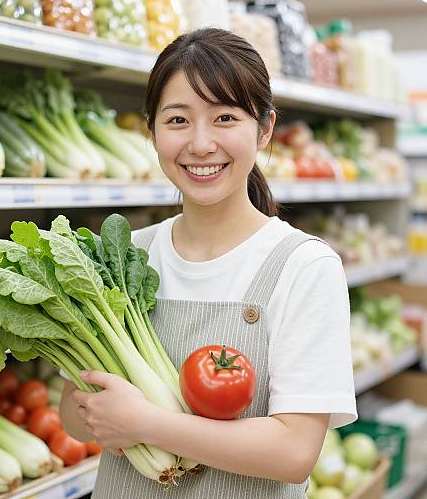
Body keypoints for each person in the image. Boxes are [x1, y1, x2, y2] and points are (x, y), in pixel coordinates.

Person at [60, 27, 357, 498]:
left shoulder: (304, 266)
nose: (200, 144)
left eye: (224, 118)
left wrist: (147, 423)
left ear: (264, 130)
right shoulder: (122, 255)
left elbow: (294, 452)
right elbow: (75, 422)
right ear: (151, 130)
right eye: (178, 120)